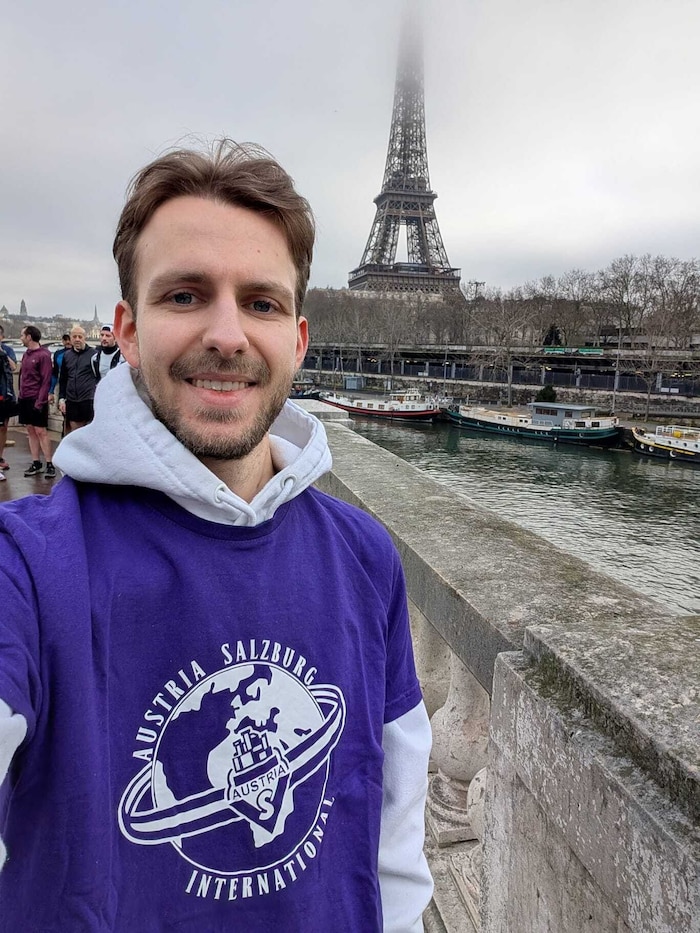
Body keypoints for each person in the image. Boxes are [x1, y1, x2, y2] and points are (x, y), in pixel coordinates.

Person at [0, 140, 432, 931]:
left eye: (261, 303)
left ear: (297, 339)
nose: (228, 333)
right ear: (128, 331)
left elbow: (394, 847)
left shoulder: (368, 557)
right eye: (186, 295)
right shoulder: (23, 565)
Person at [17, 325, 55, 478]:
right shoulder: (26, 354)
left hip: (36, 398)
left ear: (29, 337)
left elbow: (46, 380)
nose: (20, 338)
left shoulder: (43, 355)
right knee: (30, 430)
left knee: (41, 431)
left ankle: (49, 463)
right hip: (24, 398)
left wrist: (40, 401)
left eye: (22, 335)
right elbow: (22, 376)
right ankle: (36, 462)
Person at [58, 325, 98, 432]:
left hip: (88, 399)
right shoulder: (67, 355)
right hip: (72, 399)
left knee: (90, 432)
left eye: (80, 337)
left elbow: (98, 377)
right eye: (74, 337)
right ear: (70, 338)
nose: (77, 339)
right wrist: (61, 398)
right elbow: (63, 379)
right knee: (75, 431)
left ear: (85, 338)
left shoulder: (94, 355)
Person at [0, 326, 18, 478]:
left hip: (5, 395)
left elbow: (14, 367)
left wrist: (2, 353)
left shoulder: (7, 350)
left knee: (3, 427)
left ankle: (0, 457)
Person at [48, 332, 72, 404]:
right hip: (59, 383)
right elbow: (55, 372)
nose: (68, 342)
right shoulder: (58, 353)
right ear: (62, 341)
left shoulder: (79, 354)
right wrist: (51, 390)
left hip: (73, 384)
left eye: (69, 339)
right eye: (65, 340)